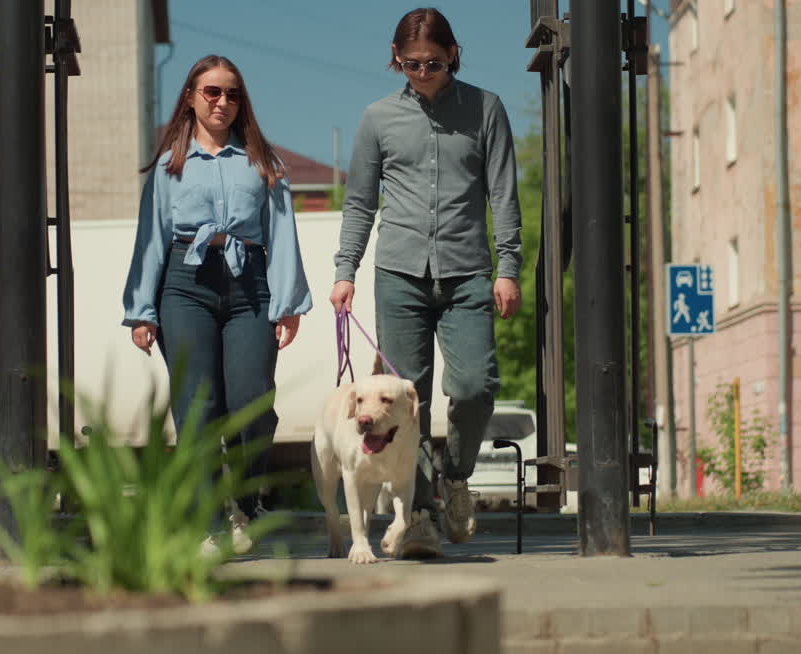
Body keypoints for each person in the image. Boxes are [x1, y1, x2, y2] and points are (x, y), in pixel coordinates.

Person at [331, 8, 522, 558]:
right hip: (399, 274)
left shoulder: (485, 109)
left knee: (474, 386)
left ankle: (455, 479)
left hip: (467, 273)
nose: (421, 72)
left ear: (453, 55)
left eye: (433, 63)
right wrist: (346, 271)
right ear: (395, 59)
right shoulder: (377, 118)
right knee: (400, 402)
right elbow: (362, 201)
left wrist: (507, 267)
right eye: (409, 64)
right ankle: (416, 516)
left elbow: (503, 194)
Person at [122, 55, 312, 555]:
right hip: (184, 286)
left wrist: (288, 302)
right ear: (191, 97)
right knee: (197, 408)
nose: (222, 102)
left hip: (249, 283)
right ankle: (209, 522)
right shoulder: (169, 167)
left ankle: (246, 505)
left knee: (252, 404)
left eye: (231, 94)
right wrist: (142, 310)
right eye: (211, 92)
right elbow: (151, 239)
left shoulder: (262, 162)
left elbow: (282, 235)